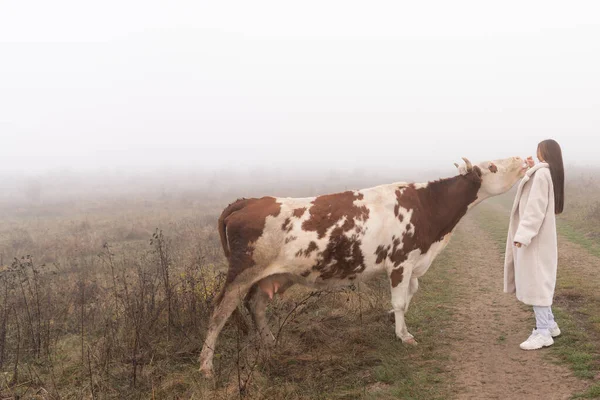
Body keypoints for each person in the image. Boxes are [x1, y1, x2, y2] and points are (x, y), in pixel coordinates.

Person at [504, 139, 565, 350]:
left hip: (535, 238)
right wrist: (530, 168)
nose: (536, 150)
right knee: (541, 279)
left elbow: (535, 207)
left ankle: (542, 333)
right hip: (541, 238)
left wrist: (524, 234)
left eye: (539, 147)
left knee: (537, 282)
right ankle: (550, 324)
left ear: (544, 151)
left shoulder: (542, 174)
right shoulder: (546, 173)